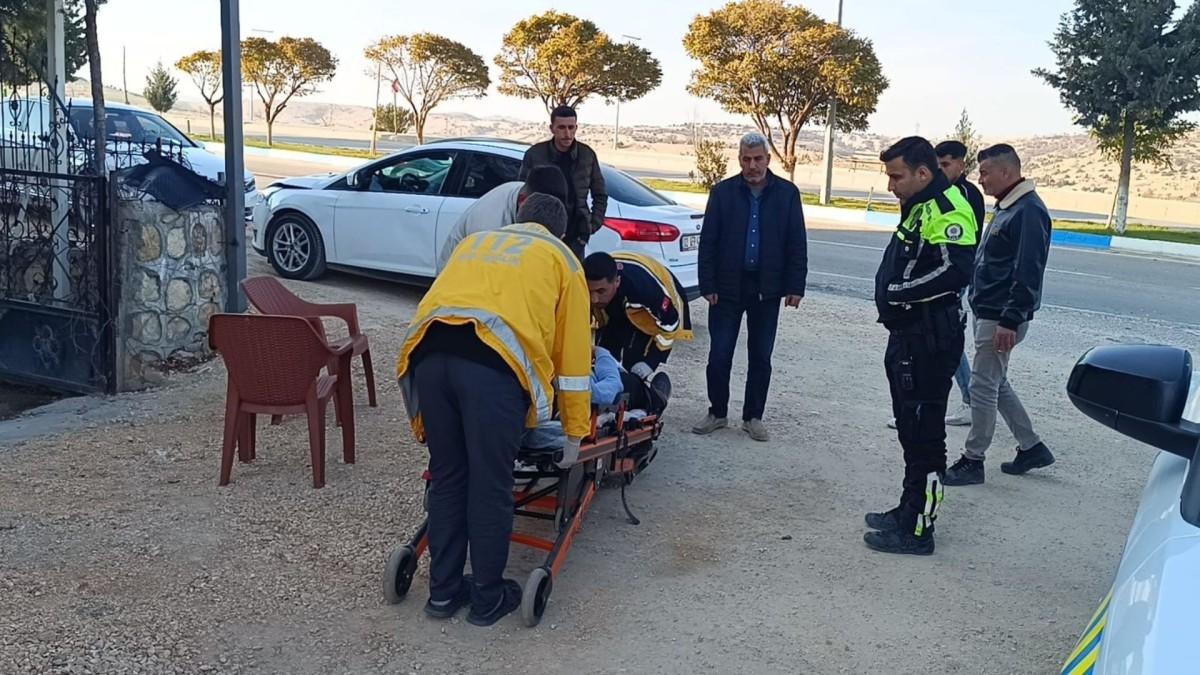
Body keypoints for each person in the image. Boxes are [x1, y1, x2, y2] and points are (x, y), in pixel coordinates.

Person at [395, 193, 592, 627]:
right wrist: (575, 432)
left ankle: (443, 594)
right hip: (492, 370)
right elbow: (574, 359)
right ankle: (487, 598)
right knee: (490, 484)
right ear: (560, 232)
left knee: (448, 477)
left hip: (430, 356)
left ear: (518, 216)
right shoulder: (563, 261)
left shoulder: (477, 242)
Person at [864, 136, 977, 556]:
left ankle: (918, 530)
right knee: (910, 431)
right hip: (909, 337)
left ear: (923, 173)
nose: (890, 185)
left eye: (897, 177)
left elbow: (956, 271)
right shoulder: (919, 205)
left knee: (926, 437)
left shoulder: (948, 209)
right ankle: (908, 509)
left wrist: (897, 292)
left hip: (930, 339)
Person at [943, 144, 1055, 486]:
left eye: (986, 172)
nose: (981, 179)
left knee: (982, 386)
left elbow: (1028, 271)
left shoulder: (1028, 211)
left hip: (1001, 316)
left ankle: (973, 459)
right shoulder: (1009, 205)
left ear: (1006, 172)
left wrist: (1010, 319)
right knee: (995, 381)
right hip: (990, 311)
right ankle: (1032, 446)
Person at [691, 132, 807, 443]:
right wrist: (707, 283)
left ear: (768, 159)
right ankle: (717, 412)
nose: (752, 165)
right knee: (719, 354)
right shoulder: (722, 193)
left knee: (761, 356)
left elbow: (796, 242)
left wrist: (795, 286)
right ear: (739, 159)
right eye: (746, 159)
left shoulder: (787, 194)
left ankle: (753, 417)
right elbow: (708, 243)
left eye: (758, 159)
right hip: (726, 288)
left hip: (767, 288)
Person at [435, 165, 568, 273]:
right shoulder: (488, 226)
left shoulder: (529, 193)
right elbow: (486, 277)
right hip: (459, 275)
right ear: (523, 201)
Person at [937, 139, 987, 427]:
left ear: (961, 164)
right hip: (938, 276)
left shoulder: (966, 195)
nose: (941, 170)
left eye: (946, 164)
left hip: (954, 278)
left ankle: (971, 400)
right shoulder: (940, 190)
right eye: (937, 164)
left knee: (947, 339)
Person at [519, 105, 608, 261]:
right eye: (561, 127)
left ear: (576, 127)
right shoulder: (535, 154)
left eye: (571, 127)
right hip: (541, 232)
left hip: (576, 236)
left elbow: (600, 194)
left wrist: (591, 225)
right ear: (552, 128)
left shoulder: (586, 155)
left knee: (572, 274)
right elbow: (520, 192)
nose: (567, 133)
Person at [585, 251, 693, 377]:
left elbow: (670, 324)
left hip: (650, 303)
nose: (594, 299)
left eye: (600, 291)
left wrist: (651, 362)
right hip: (621, 301)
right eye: (589, 291)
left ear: (617, 281)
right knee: (604, 357)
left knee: (633, 362)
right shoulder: (580, 286)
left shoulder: (646, 291)